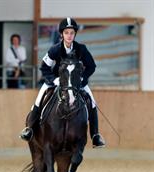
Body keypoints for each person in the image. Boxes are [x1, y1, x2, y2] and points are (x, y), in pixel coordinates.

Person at [20, 17, 105, 148]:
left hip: (76, 82)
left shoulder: (81, 49)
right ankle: (29, 129)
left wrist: (83, 78)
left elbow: (91, 66)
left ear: (75, 34)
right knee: (39, 99)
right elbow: (44, 67)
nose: (69, 35)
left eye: (71, 33)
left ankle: (95, 135)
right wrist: (53, 79)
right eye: (66, 33)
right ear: (61, 34)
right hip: (56, 80)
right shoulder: (55, 49)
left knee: (92, 103)